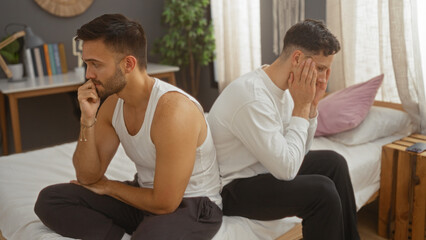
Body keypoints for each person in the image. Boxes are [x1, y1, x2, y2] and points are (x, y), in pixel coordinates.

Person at [34, 14, 222, 240]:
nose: (88, 75)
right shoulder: (113, 105)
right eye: (87, 64)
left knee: (150, 234)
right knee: (51, 199)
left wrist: (109, 186)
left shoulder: (173, 110)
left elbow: (165, 203)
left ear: (128, 64)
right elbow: (87, 177)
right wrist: (87, 120)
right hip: (144, 195)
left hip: (191, 204)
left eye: (96, 64)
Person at [207, 19, 360, 240]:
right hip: (234, 188)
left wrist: (312, 105)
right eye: (319, 68)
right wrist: (302, 106)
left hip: (263, 170)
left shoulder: (286, 89)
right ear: (297, 58)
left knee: (334, 163)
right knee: (322, 192)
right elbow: (287, 169)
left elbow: (300, 152)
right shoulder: (252, 97)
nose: (322, 78)